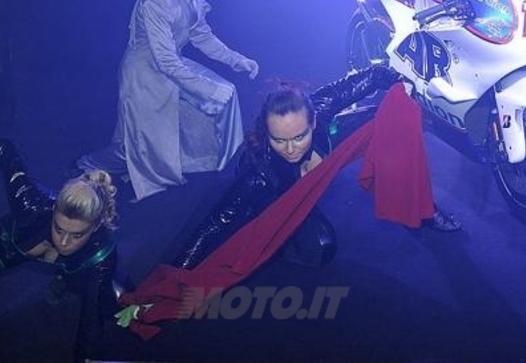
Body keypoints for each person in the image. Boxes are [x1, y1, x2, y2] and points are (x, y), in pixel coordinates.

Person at [171, 64, 460, 271]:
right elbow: (214, 224)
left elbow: (373, 75)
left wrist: (400, 83)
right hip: (276, 199)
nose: (291, 149)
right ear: (267, 133)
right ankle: (281, 242)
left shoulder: (320, 109)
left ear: (313, 122)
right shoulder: (260, 175)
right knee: (321, 246)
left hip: (326, 148)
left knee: (386, 121)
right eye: (279, 140)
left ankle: (422, 208)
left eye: (299, 137)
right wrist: (176, 274)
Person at [77, 0, 260, 202]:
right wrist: (207, 89)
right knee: (138, 143)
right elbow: (164, 60)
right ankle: (88, 164)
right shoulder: (157, 0)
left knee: (222, 96)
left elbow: (203, 37)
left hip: (170, 65)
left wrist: (237, 60)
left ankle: (226, 163)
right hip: (143, 73)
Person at [0, 139, 120, 362]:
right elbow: (4, 149)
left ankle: (67, 282)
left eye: (77, 235)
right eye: (58, 228)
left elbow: (90, 322)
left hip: (78, 268)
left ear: (95, 227)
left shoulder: (101, 251)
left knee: (106, 299)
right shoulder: (30, 204)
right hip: (7, 246)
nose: (64, 242)